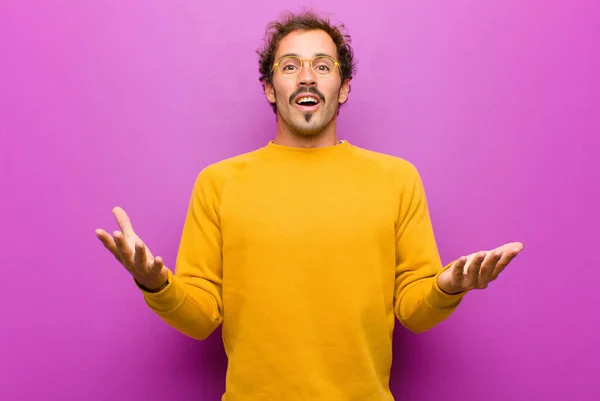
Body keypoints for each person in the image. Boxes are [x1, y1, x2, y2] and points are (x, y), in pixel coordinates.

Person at [95, 10, 523, 401]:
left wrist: (446, 287)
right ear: (269, 88)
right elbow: (201, 317)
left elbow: (413, 309)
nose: (307, 77)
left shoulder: (397, 179)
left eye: (322, 66)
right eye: (289, 66)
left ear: (344, 87)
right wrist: (156, 285)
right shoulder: (218, 183)